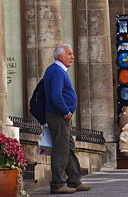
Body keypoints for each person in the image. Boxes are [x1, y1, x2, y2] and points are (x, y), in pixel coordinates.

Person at [44, 44, 91, 194]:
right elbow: (56, 95)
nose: (73, 57)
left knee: (69, 148)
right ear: (60, 56)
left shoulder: (56, 70)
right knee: (61, 149)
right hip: (59, 116)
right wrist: (65, 111)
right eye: (70, 54)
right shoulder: (57, 71)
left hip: (60, 117)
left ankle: (75, 180)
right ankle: (57, 184)